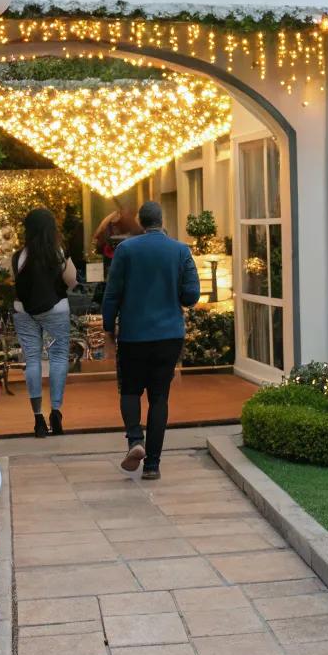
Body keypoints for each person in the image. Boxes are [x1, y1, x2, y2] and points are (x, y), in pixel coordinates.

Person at [102, 200, 200, 481]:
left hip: (133, 334)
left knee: (130, 390)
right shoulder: (180, 251)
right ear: (162, 220)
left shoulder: (126, 250)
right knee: (159, 397)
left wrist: (109, 329)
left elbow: (112, 294)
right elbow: (191, 296)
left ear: (141, 224)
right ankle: (153, 465)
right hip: (169, 334)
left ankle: (135, 439)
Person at [13, 207, 77, 438]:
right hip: (56, 310)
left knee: (32, 359)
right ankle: (56, 411)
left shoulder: (19, 256)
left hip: (24, 311)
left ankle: (38, 418)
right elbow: (71, 280)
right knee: (58, 356)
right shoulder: (58, 253)